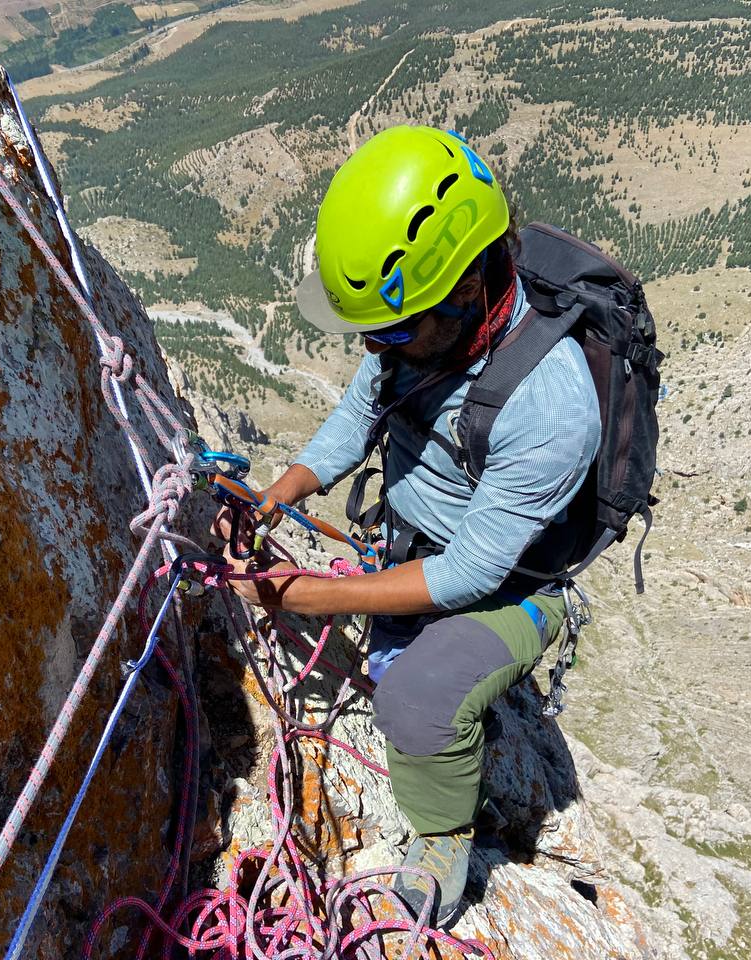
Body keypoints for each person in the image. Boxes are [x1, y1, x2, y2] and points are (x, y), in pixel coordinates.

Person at [216, 125, 602, 927]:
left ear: (466, 290)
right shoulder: (424, 326)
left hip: (509, 587)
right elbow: (359, 413)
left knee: (416, 701)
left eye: (388, 332)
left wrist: (308, 598)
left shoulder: (550, 406)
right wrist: (283, 491)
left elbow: (468, 576)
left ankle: (445, 837)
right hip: (417, 549)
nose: (373, 347)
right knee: (397, 665)